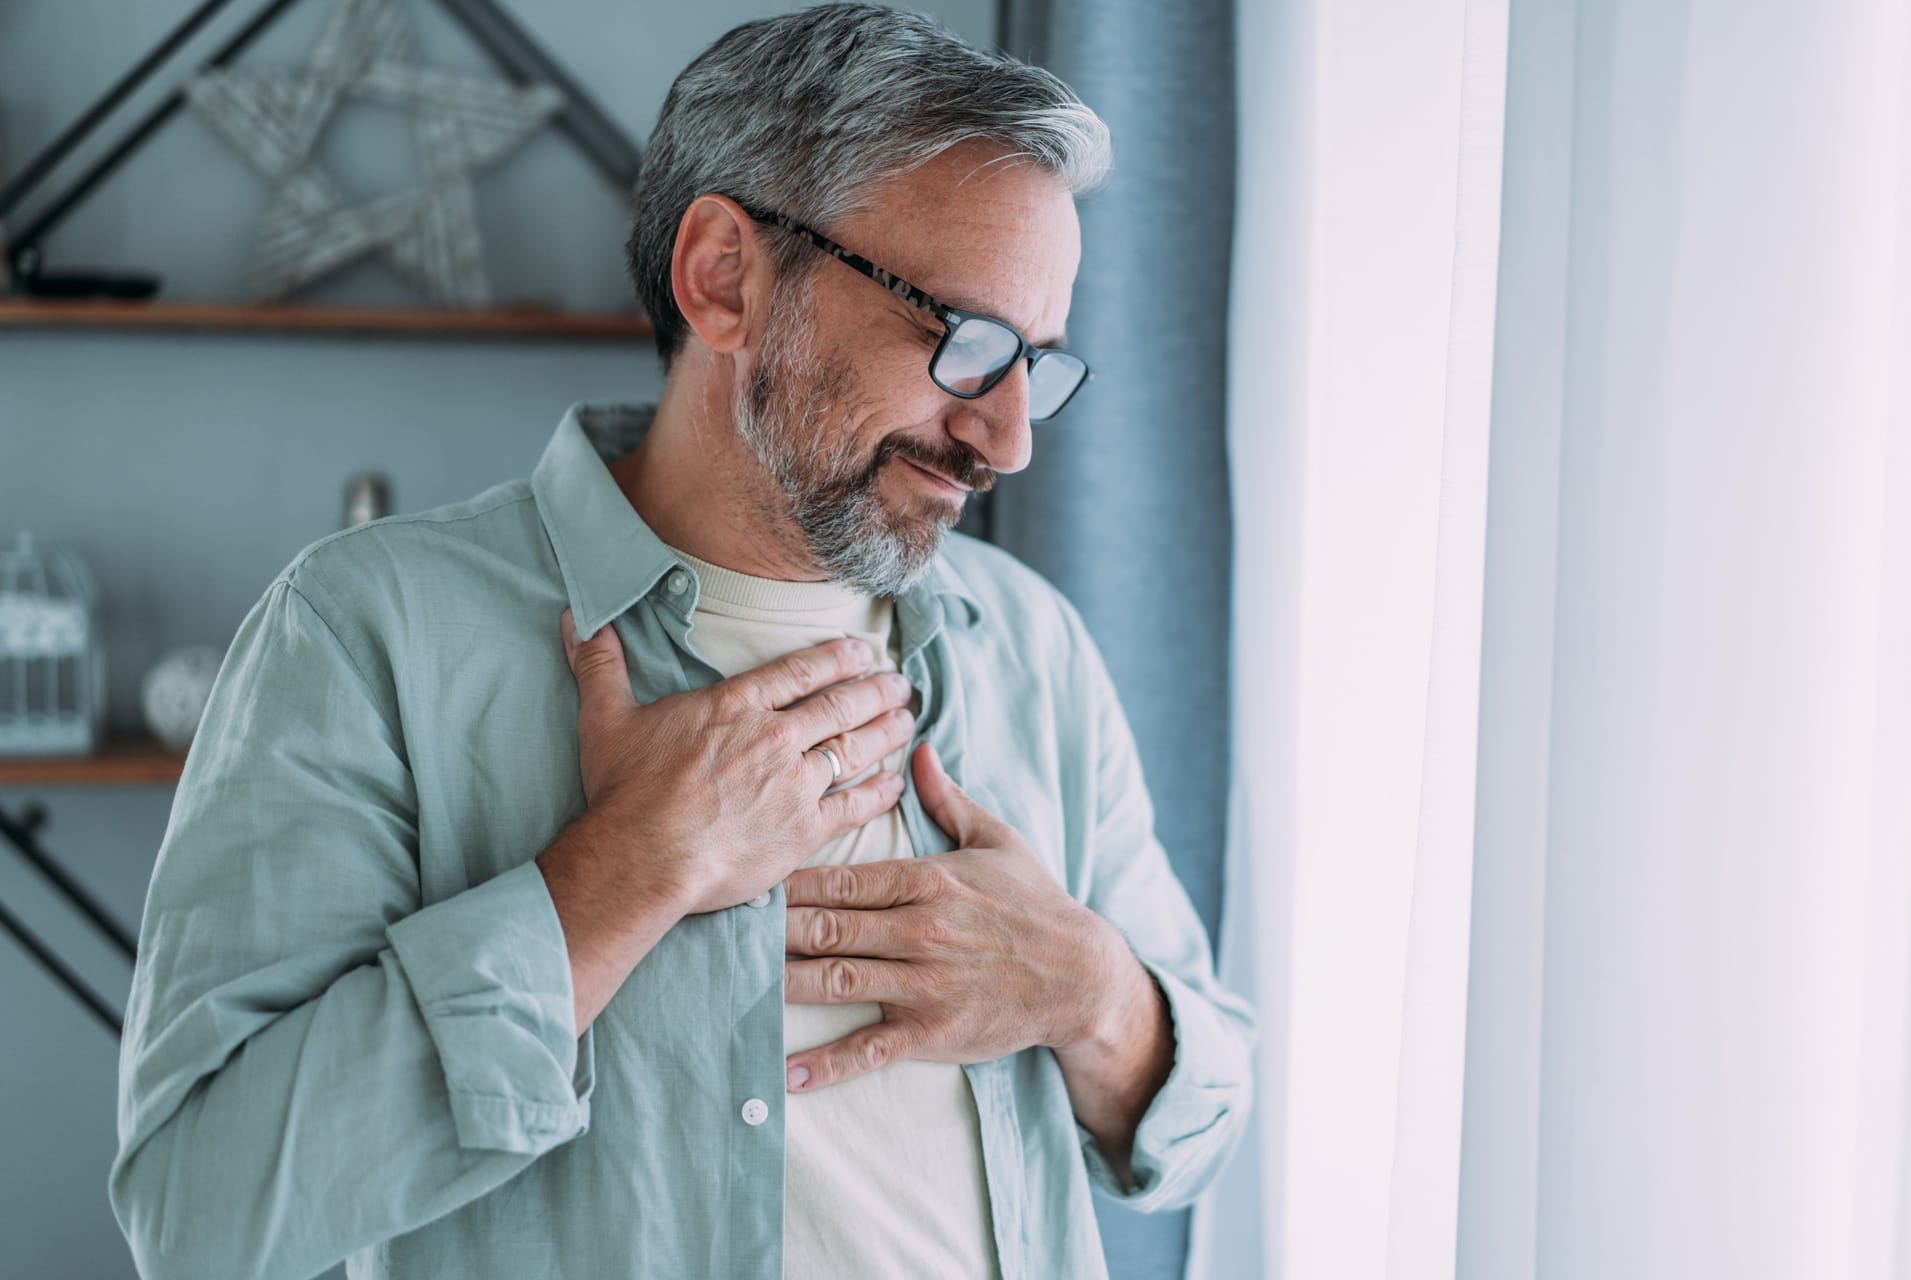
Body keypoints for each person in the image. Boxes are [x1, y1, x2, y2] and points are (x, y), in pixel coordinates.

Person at [108, 5, 1256, 1278]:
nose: (1011, 437)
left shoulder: (1032, 644)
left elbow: (1201, 1125)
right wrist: (627, 868)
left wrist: (1089, 990)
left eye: (1039, 362)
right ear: (724, 275)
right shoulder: (365, 635)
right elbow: (199, 1216)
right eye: (967, 343)